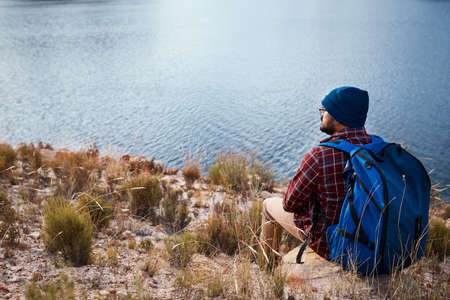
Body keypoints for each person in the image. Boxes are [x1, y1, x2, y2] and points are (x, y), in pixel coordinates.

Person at [260, 86, 372, 262]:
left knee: (268, 205)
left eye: (325, 110)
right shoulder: (376, 150)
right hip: (370, 240)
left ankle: (266, 269)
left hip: (330, 244)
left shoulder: (320, 155)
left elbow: (289, 204)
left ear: (339, 116)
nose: (322, 114)